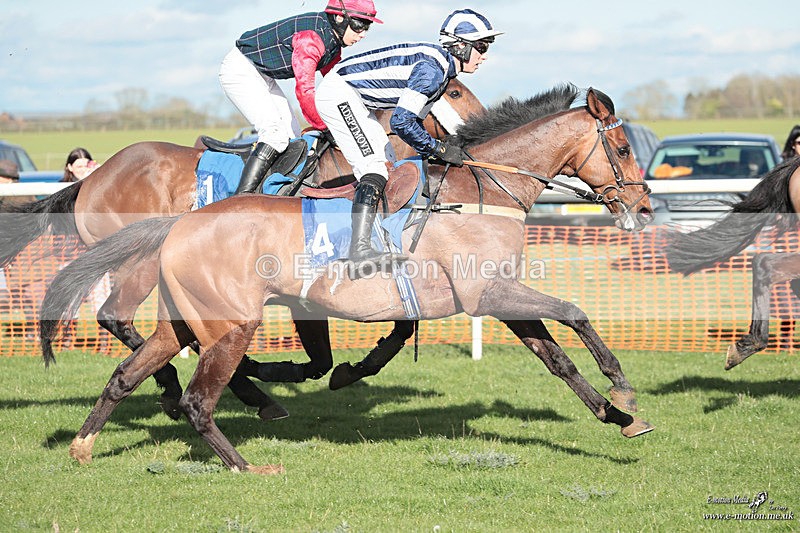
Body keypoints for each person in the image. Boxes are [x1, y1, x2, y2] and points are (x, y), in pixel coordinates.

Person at [315, 8, 502, 268]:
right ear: (459, 46)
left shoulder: (442, 70)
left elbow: (413, 125)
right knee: (375, 168)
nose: (484, 56)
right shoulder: (432, 72)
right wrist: (437, 148)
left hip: (355, 98)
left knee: (389, 164)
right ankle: (359, 250)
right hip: (339, 95)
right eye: (481, 46)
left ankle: (375, 237)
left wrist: (438, 149)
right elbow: (401, 121)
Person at [219, 0, 381, 194]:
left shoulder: (332, 41)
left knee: (293, 138)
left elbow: (338, 84)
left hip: (263, 75)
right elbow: (305, 91)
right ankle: (242, 198)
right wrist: (327, 127)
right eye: (358, 25)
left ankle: (272, 191)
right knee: (275, 136)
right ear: (339, 17)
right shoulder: (311, 39)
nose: (362, 33)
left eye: (367, 27)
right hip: (240, 70)